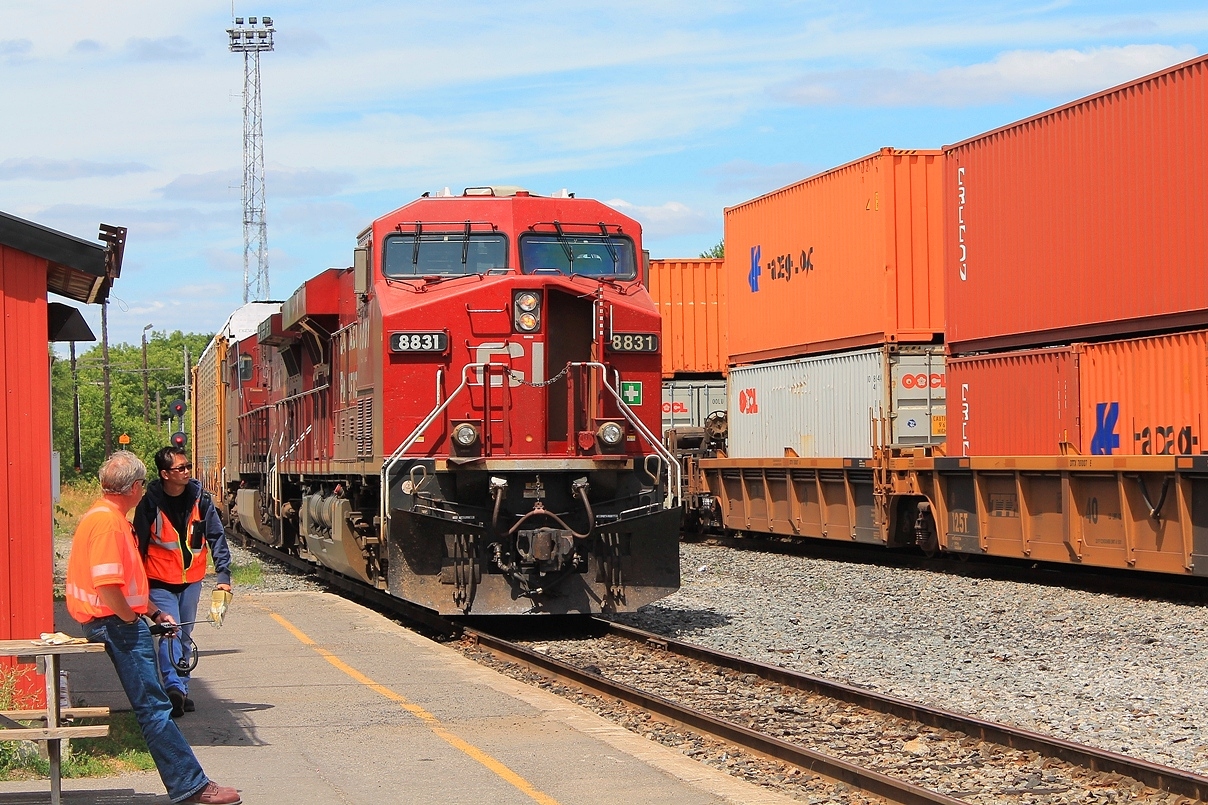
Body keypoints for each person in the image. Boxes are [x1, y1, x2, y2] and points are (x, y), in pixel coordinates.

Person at [65, 451, 241, 804]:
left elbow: (125, 582)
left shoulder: (108, 517)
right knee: (153, 707)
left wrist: (153, 612)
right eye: (142, 483)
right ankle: (190, 786)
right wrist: (132, 621)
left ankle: (189, 783)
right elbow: (109, 587)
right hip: (112, 623)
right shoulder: (109, 524)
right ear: (132, 487)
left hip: (115, 619)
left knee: (153, 705)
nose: (144, 489)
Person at [133, 446, 233, 718]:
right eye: (181, 468)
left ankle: (182, 689)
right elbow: (138, 547)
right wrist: (138, 588)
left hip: (191, 581)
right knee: (170, 633)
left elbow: (216, 537)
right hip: (159, 582)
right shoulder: (149, 505)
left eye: (188, 466)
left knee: (185, 637)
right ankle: (174, 687)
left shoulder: (200, 499)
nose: (187, 471)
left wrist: (223, 576)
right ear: (165, 474)